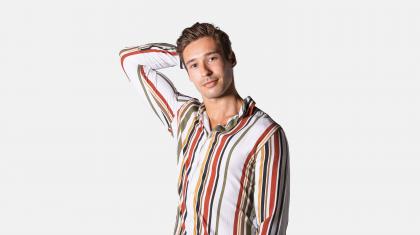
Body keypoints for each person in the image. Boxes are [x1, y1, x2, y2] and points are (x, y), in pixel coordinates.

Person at [118, 22, 290, 235]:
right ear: (187, 72)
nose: (205, 72)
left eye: (212, 58)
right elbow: (130, 61)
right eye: (194, 65)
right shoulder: (184, 117)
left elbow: (271, 225)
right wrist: (181, 54)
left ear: (231, 58)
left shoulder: (264, 133)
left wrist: (192, 57)